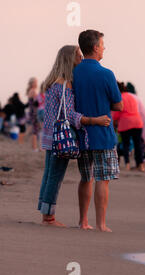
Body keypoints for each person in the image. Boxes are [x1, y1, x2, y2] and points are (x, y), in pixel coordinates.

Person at [37, 45, 111, 227]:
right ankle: (48, 218)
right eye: (78, 56)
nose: (81, 59)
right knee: (55, 176)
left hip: (50, 135)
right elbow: (69, 115)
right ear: (70, 59)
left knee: (49, 174)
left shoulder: (54, 83)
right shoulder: (66, 85)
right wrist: (94, 120)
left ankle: (45, 212)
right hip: (61, 137)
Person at [73, 30, 124, 232]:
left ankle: (83, 221)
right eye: (102, 44)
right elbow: (119, 106)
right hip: (102, 133)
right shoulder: (106, 73)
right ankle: (101, 224)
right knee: (103, 179)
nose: (104, 48)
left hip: (81, 133)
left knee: (86, 177)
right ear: (95, 47)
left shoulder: (74, 72)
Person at [112, 82, 145, 172]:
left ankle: (127, 165)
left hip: (125, 123)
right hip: (137, 122)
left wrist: (114, 121)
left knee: (125, 144)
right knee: (137, 145)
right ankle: (141, 165)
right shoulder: (132, 96)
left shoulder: (119, 98)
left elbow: (116, 114)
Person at [27, 77, 41, 152]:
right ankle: (35, 148)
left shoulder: (30, 91)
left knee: (34, 130)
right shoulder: (33, 91)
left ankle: (34, 147)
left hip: (32, 112)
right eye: (35, 82)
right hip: (34, 113)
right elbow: (37, 102)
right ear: (32, 83)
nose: (36, 84)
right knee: (35, 130)